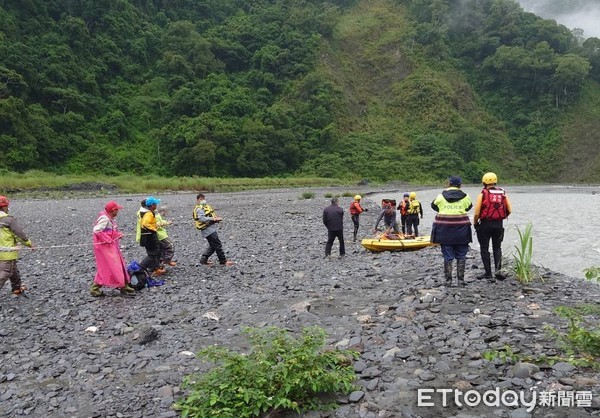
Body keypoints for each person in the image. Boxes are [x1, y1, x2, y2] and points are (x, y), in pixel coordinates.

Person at [431, 176, 473, 287]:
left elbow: (434, 206)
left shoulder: (440, 196)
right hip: (462, 230)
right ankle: (461, 280)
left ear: (449, 184)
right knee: (461, 254)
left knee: (447, 255)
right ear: (460, 185)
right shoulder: (466, 197)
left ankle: (448, 280)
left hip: (444, 230)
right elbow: (469, 207)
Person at [473, 172, 513, 280]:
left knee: (484, 248)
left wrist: (475, 223)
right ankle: (498, 271)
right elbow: (509, 209)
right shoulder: (502, 193)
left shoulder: (483, 194)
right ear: (495, 181)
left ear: (484, 182)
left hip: (485, 224)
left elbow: (477, 212)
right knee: (497, 247)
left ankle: (488, 273)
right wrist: (502, 217)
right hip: (499, 224)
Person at [91, 201, 135, 297]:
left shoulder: (109, 218)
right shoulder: (105, 219)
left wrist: (117, 235)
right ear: (113, 210)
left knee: (117, 264)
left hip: (110, 246)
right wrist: (107, 239)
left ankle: (123, 285)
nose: (118, 211)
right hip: (105, 247)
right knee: (113, 266)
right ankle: (96, 288)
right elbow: (96, 230)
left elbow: (109, 231)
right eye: (117, 210)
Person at [0, 196, 33, 296]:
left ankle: (16, 288)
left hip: (4, 251)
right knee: (5, 271)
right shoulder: (8, 220)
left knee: (13, 269)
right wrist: (29, 244)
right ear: (5, 207)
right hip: (7, 252)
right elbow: (19, 234)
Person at [193, 193, 234, 266]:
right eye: (201, 199)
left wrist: (216, 220)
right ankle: (223, 261)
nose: (203, 200)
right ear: (198, 200)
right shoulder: (199, 209)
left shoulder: (205, 207)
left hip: (210, 228)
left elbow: (209, 216)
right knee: (217, 244)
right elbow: (202, 219)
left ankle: (203, 259)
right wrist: (214, 219)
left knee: (213, 245)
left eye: (204, 199)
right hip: (207, 230)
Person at [137, 196, 166, 276]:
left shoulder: (147, 212)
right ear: (152, 205)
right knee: (152, 254)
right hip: (149, 236)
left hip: (148, 236)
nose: (157, 205)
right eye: (155, 204)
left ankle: (155, 268)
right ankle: (140, 268)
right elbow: (145, 224)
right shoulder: (149, 213)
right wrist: (153, 229)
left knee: (160, 248)